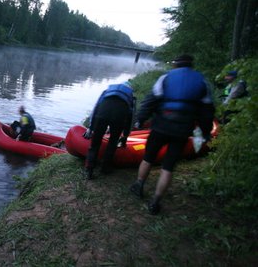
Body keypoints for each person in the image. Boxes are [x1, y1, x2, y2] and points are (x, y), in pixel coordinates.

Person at [129, 54, 215, 215]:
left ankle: (139, 185)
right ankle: (155, 201)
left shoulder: (165, 78)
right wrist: (205, 132)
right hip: (182, 130)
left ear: (176, 65)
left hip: (161, 126)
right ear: (191, 65)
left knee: (148, 157)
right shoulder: (202, 82)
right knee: (168, 167)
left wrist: (140, 120)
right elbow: (207, 112)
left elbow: (150, 101)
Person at [82, 81, 136, 179]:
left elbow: (96, 107)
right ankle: (105, 168)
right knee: (113, 142)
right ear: (129, 88)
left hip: (102, 113)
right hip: (119, 116)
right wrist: (125, 135)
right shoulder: (130, 96)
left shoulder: (107, 91)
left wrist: (91, 127)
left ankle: (89, 170)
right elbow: (130, 116)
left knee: (95, 143)